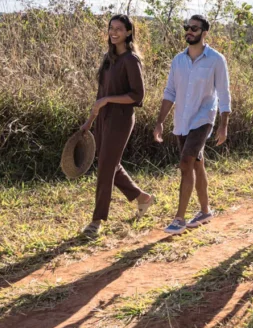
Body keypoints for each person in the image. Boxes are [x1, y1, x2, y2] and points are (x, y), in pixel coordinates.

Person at [153, 14, 231, 236]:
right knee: (197, 164)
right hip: (182, 121)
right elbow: (170, 92)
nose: (189, 31)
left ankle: (179, 218)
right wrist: (160, 122)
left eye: (194, 28)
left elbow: (224, 94)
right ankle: (206, 211)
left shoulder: (216, 59)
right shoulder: (178, 60)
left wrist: (223, 125)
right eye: (187, 27)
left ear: (204, 32)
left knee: (186, 163)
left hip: (204, 118)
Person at [80, 14, 155, 239]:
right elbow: (100, 95)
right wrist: (90, 120)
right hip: (102, 117)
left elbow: (137, 96)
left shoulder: (131, 60)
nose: (114, 32)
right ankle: (143, 198)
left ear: (129, 33)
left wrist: (108, 101)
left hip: (120, 119)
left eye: (119, 29)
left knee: (105, 167)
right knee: (110, 164)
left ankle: (97, 220)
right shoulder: (108, 58)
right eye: (111, 28)